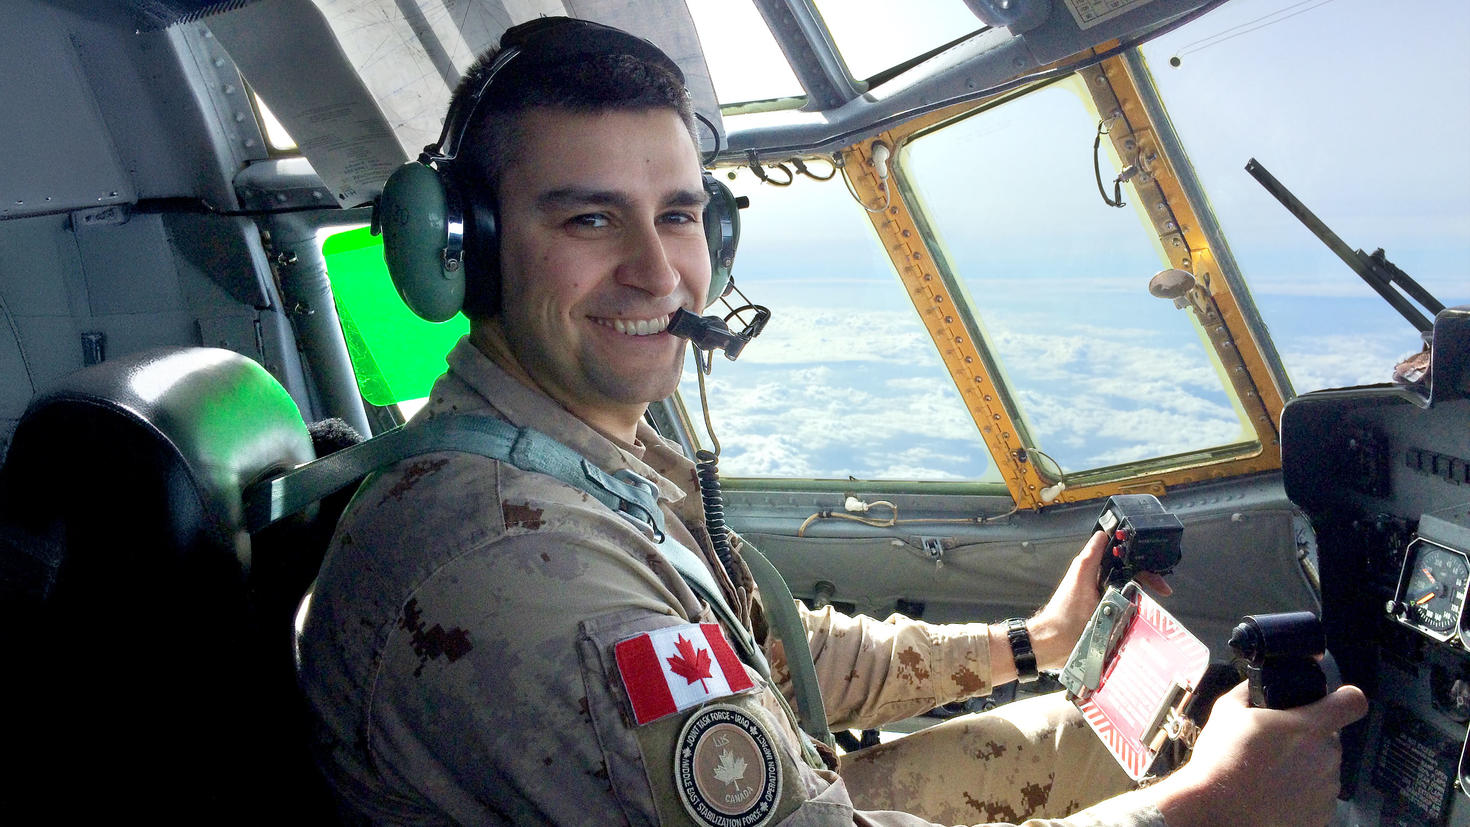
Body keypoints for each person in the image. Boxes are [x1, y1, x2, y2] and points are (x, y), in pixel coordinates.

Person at [298, 17, 1367, 826]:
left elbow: (774, 649)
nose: (656, 268)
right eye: (587, 217)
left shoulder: (575, 461)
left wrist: (1029, 641)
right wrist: (1211, 808)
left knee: (1101, 734)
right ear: (461, 250)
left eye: (678, 214)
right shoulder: (516, 567)